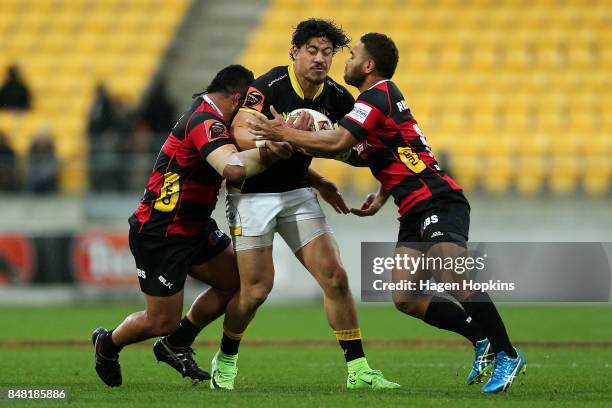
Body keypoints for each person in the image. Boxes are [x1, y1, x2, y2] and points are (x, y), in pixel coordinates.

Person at [248, 32, 526, 394]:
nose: (343, 62)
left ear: (368, 65)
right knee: (406, 297)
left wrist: (284, 131)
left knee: (451, 276)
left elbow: (337, 143)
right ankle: (480, 338)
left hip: (437, 198)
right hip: (412, 206)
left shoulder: (378, 95)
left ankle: (508, 353)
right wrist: (383, 193)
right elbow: (392, 151)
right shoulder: (374, 103)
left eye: (351, 56)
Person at [208, 19, 399, 391]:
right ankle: (226, 357)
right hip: (252, 197)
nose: (320, 59)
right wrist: (267, 145)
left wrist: (366, 174)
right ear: (294, 52)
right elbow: (241, 129)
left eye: (327, 52)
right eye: (312, 50)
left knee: (336, 277)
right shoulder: (268, 86)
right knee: (256, 292)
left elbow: (357, 145)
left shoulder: (336, 97)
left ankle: (358, 370)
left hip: (297, 192)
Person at [91, 65, 290, 387]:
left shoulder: (213, 119)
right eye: (249, 105)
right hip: (161, 231)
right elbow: (234, 169)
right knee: (160, 320)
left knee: (238, 282)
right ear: (238, 99)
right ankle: (108, 344)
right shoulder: (204, 121)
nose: (251, 113)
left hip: (193, 227)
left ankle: (177, 343)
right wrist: (271, 151)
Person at [25, 126, 59, 194]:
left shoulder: (53, 153)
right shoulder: (31, 153)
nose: (42, 143)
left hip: (49, 186)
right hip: (34, 186)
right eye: (41, 140)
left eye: (44, 140)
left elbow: (52, 170)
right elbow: (30, 169)